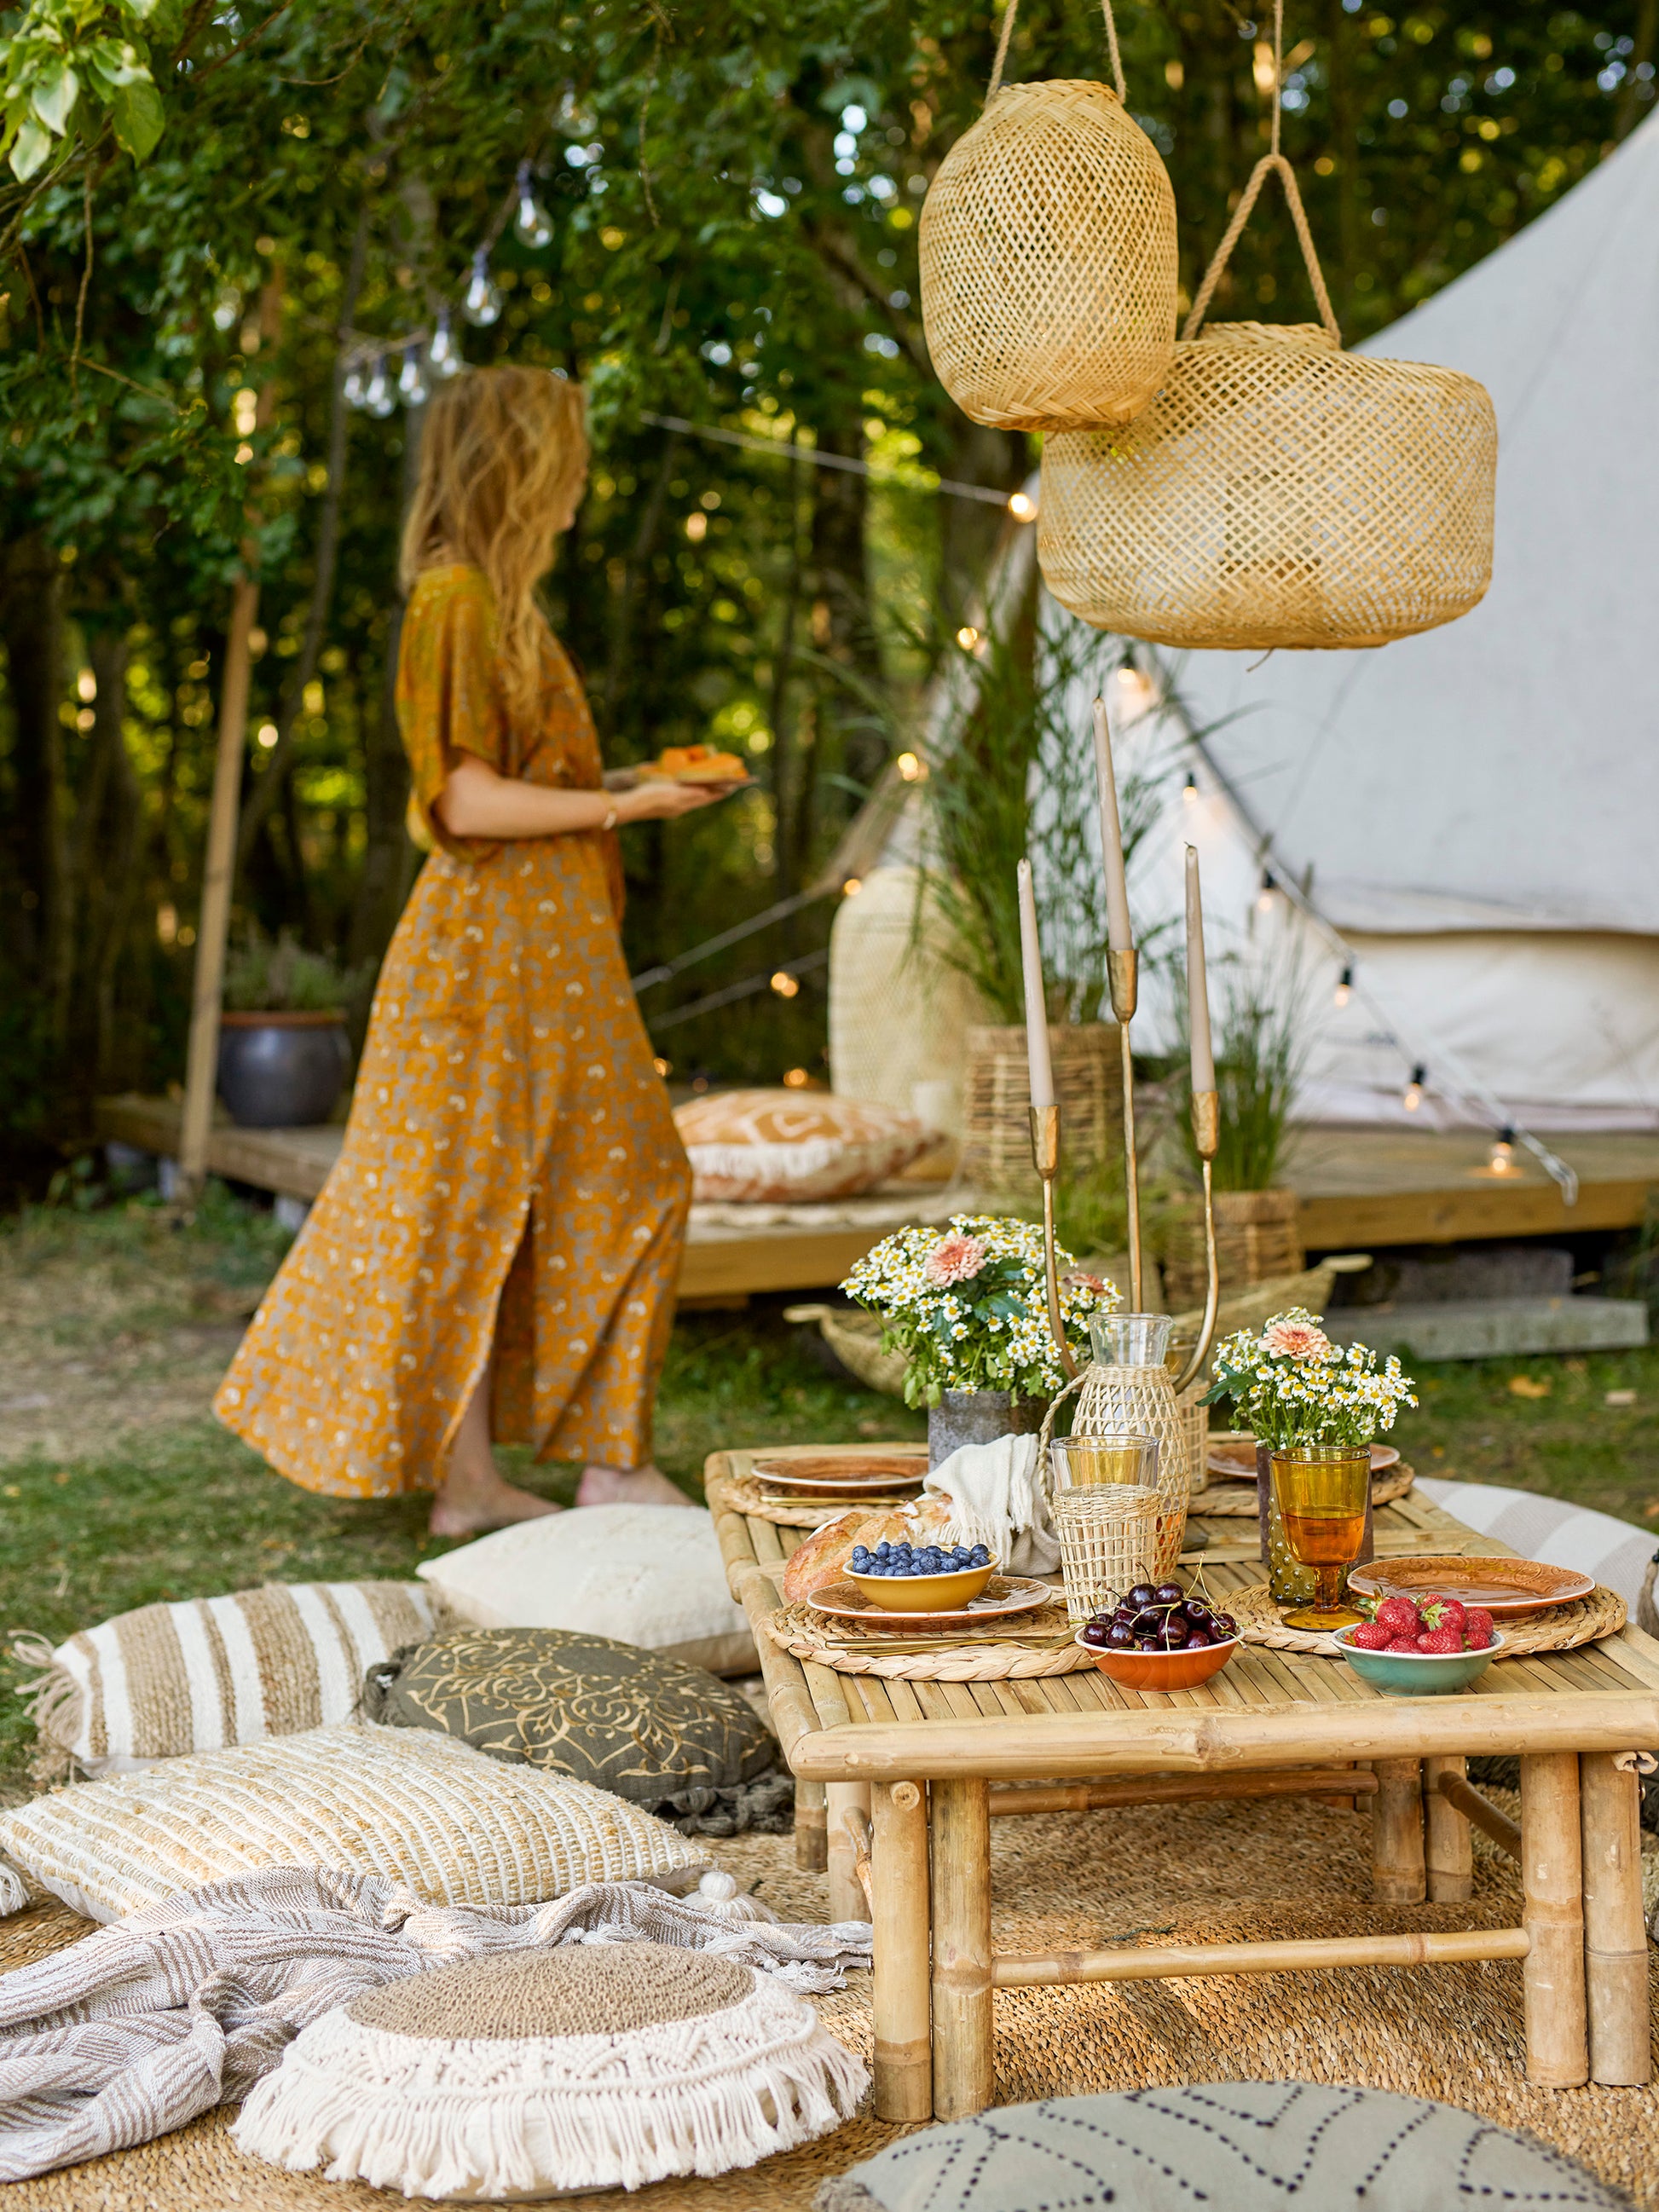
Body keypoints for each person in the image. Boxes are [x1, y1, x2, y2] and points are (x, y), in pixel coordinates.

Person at [216, 366, 722, 1533]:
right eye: (567, 452)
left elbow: (525, 785)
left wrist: (634, 790)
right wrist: (622, 808)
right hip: (488, 950)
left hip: (551, 946)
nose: (583, 476)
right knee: (466, 1197)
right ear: (519, 464)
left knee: (603, 1179)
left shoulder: (507, 605)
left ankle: (570, 1464)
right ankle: (488, 1482)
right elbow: (467, 802)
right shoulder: (451, 599)